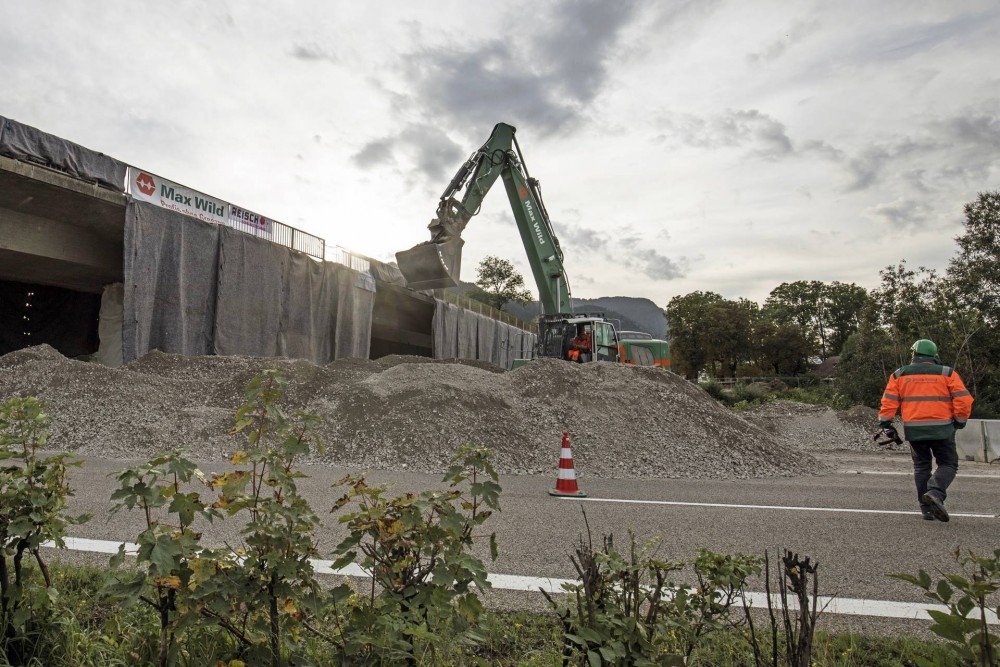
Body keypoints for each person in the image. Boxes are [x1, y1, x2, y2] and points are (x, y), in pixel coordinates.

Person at [878, 339, 973, 522]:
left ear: (913, 354)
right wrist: (959, 422)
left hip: (915, 430)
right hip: (943, 429)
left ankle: (927, 510)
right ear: (934, 355)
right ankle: (935, 492)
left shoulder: (899, 375)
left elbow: (888, 401)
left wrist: (886, 424)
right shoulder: (947, 373)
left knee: (921, 467)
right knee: (948, 464)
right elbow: (964, 401)